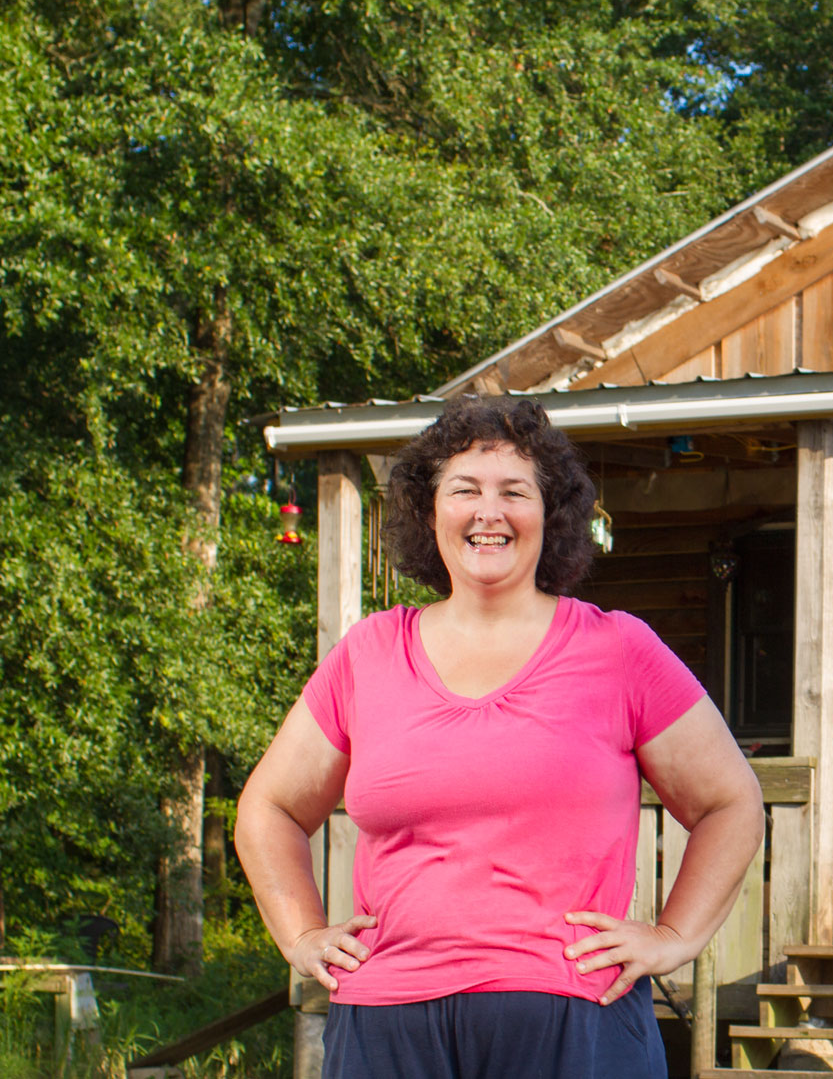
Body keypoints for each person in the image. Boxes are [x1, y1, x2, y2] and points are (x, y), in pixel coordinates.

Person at [236, 397, 764, 1078]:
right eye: (465, 490)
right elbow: (267, 807)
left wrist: (675, 936)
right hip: (389, 1024)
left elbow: (731, 801)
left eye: (514, 491)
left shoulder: (619, 649)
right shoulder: (370, 653)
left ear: (551, 515)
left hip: (574, 1020)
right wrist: (302, 933)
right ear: (431, 511)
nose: (489, 511)